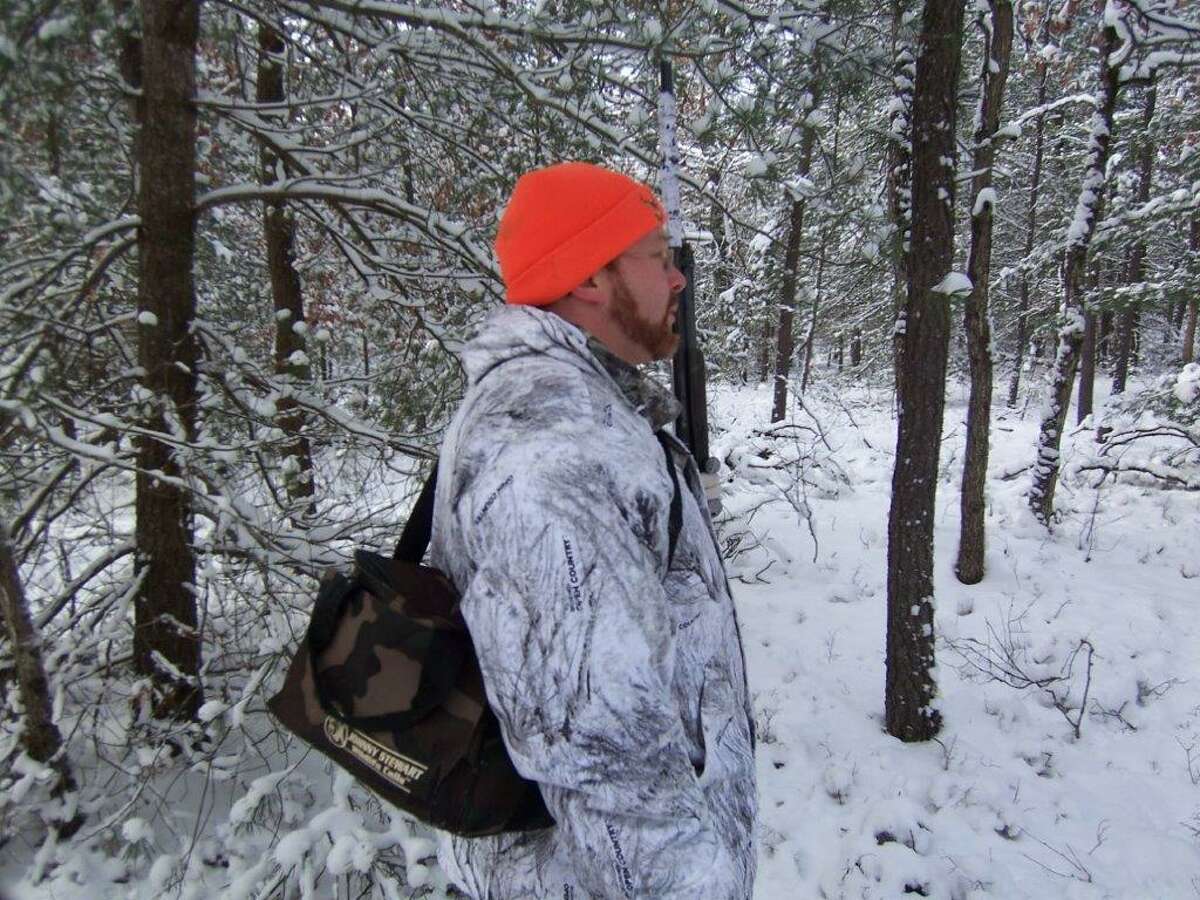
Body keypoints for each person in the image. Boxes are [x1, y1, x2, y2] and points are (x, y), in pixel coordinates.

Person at [429, 162, 757, 899]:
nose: (677, 280)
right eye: (657, 257)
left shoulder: (583, 415)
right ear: (587, 279)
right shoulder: (552, 449)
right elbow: (603, 746)